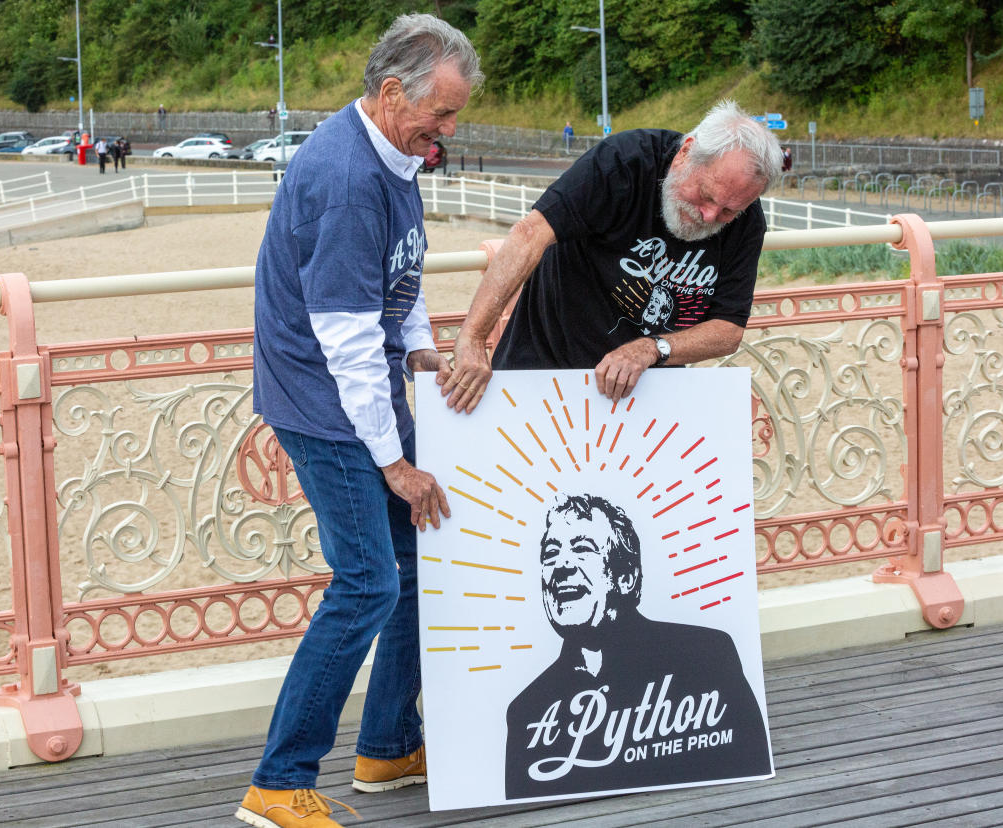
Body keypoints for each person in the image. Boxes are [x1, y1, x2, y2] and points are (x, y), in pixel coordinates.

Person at [235, 13, 483, 828]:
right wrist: (396, 464)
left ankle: (384, 746)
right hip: (325, 403)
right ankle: (279, 782)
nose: (446, 134)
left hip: (361, 389)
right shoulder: (344, 178)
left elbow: (397, 285)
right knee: (368, 581)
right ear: (388, 93)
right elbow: (343, 343)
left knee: (413, 563)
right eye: (440, 115)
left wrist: (420, 350)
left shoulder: (395, 152)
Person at [441, 100, 781, 413]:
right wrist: (472, 337)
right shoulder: (624, 162)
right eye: (706, 196)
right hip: (543, 376)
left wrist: (651, 348)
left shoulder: (746, 220)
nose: (710, 216)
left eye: (728, 211)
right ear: (685, 153)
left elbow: (728, 328)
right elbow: (530, 234)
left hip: (645, 395)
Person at [504, 494, 771, 800]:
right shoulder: (529, 711)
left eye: (582, 549)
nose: (561, 565)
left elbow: (750, 768)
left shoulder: (705, 655)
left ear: (626, 578)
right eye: (550, 554)